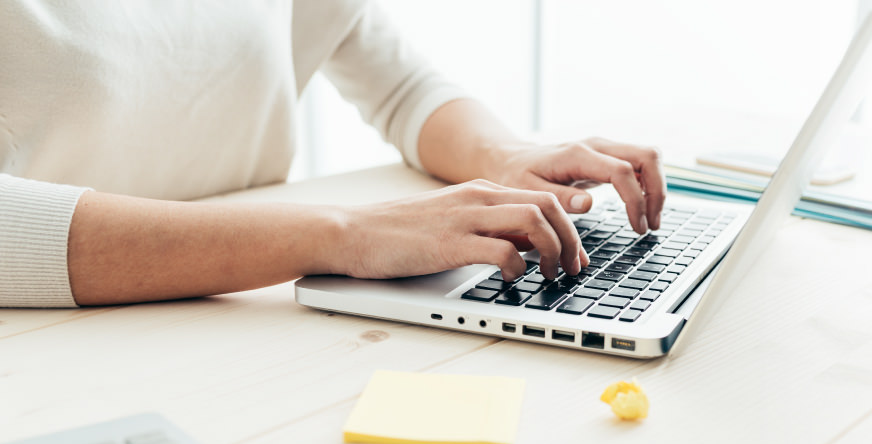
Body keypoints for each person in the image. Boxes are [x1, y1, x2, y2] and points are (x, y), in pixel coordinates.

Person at [0, 0, 649, 308]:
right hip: (54, 346)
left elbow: (400, 86)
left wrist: (505, 155)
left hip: (242, 318)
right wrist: (345, 235)